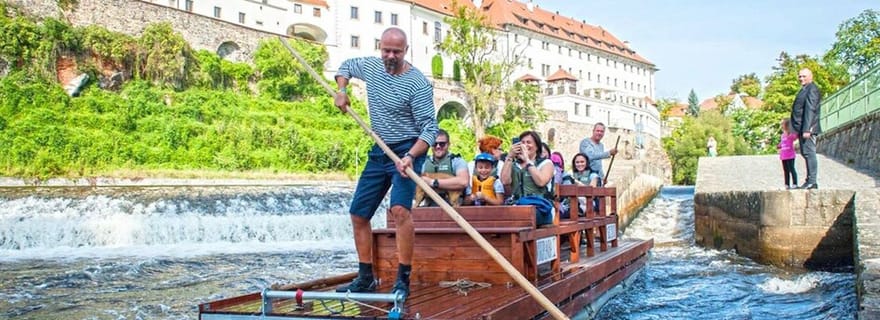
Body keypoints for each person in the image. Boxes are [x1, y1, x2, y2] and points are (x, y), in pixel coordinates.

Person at [333, 27, 438, 299]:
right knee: (358, 214)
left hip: (408, 147)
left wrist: (411, 156)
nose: (390, 56)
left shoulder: (417, 84)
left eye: (396, 51)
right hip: (380, 149)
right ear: (381, 48)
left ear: (406, 51)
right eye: (386, 50)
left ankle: (403, 279)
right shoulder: (371, 67)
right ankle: (365, 277)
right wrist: (341, 90)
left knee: (400, 211)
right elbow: (345, 66)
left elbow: (429, 129)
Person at [501, 131, 556, 226]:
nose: (525, 145)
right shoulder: (514, 165)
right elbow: (505, 181)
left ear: (537, 146)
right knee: (494, 216)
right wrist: (509, 157)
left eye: (528, 142)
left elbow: (541, 181)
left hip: (541, 208)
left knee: (522, 217)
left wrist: (527, 160)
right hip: (517, 206)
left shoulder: (546, 163)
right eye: (522, 142)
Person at [418, 129, 469, 206]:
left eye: (442, 144)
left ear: (448, 144)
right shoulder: (423, 162)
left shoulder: (457, 161)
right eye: (435, 144)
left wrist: (433, 182)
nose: (438, 147)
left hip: (453, 206)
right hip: (429, 205)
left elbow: (463, 182)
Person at [790, 68, 822, 189]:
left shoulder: (812, 89)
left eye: (804, 76)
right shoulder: (805, 89)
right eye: (800, 76)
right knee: (805, 153)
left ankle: (812, 181)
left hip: (807, 128)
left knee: (809, 153)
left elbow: (810, 110)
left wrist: (807, 129)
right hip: (802, 127)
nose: (801, 79)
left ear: (810, 76)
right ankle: (809, 180)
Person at [778, 118, 798, 190]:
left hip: (790, 155)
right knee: (785, 170)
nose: (781, 126)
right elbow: (782, 142)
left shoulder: (791, 135)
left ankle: (795, 183)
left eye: (782, 124)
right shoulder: (782, 135)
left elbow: (796, 137)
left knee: (792, 169)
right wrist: (779, 145)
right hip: (784, 155)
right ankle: (787, 184)